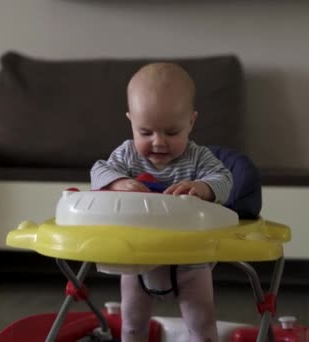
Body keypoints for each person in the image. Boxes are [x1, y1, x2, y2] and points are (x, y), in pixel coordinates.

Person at [90, 62, 233, 342]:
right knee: (131, 325)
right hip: (136, 260)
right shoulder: (128, 156)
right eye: (146, 132)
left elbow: (224, 179)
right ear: (131, 120)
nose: (158, 142)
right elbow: (97, 171)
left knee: (201, 324)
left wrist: (202, 187)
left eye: (171, 132)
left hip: (190, 261)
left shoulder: (198, 158)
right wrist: (118, 183)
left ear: (191, 122)